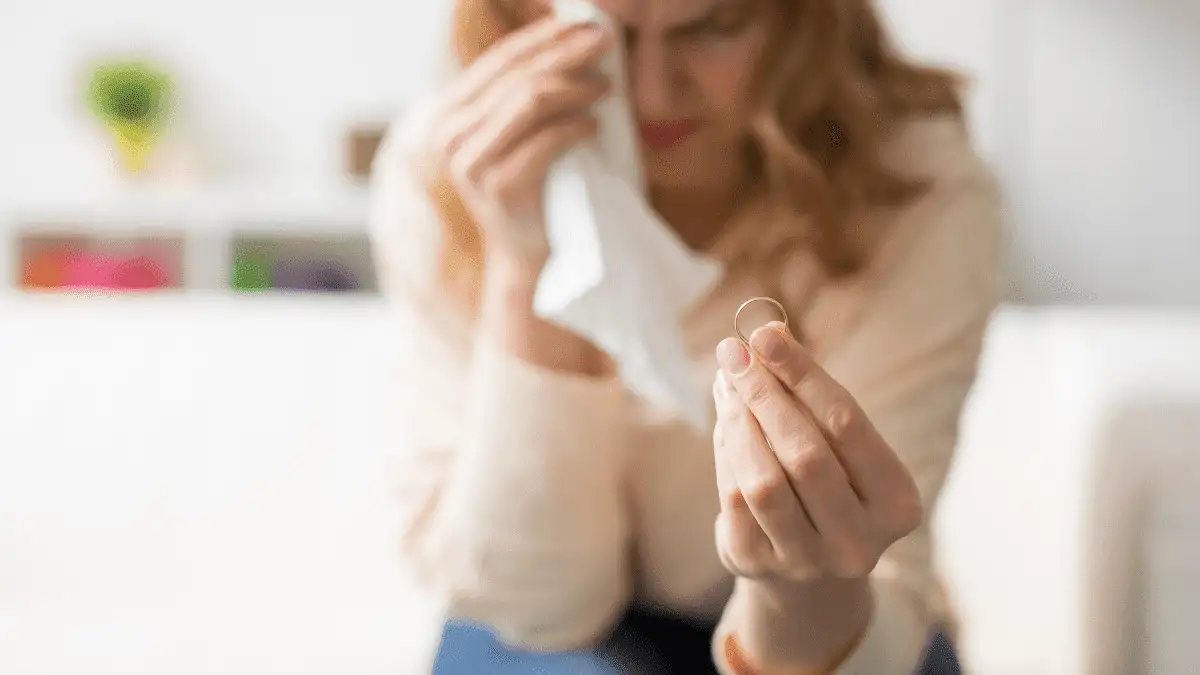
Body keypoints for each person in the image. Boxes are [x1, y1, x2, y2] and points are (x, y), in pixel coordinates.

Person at [368, 0, 1003, 672]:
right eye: (606, 35)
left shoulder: (918, 185)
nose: (652, 91)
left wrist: (802, 588)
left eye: (710, 27)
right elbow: (535, 607)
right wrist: (525, 263)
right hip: (542, 627)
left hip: (840, 637)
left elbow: (875, 594)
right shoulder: (447, 168)